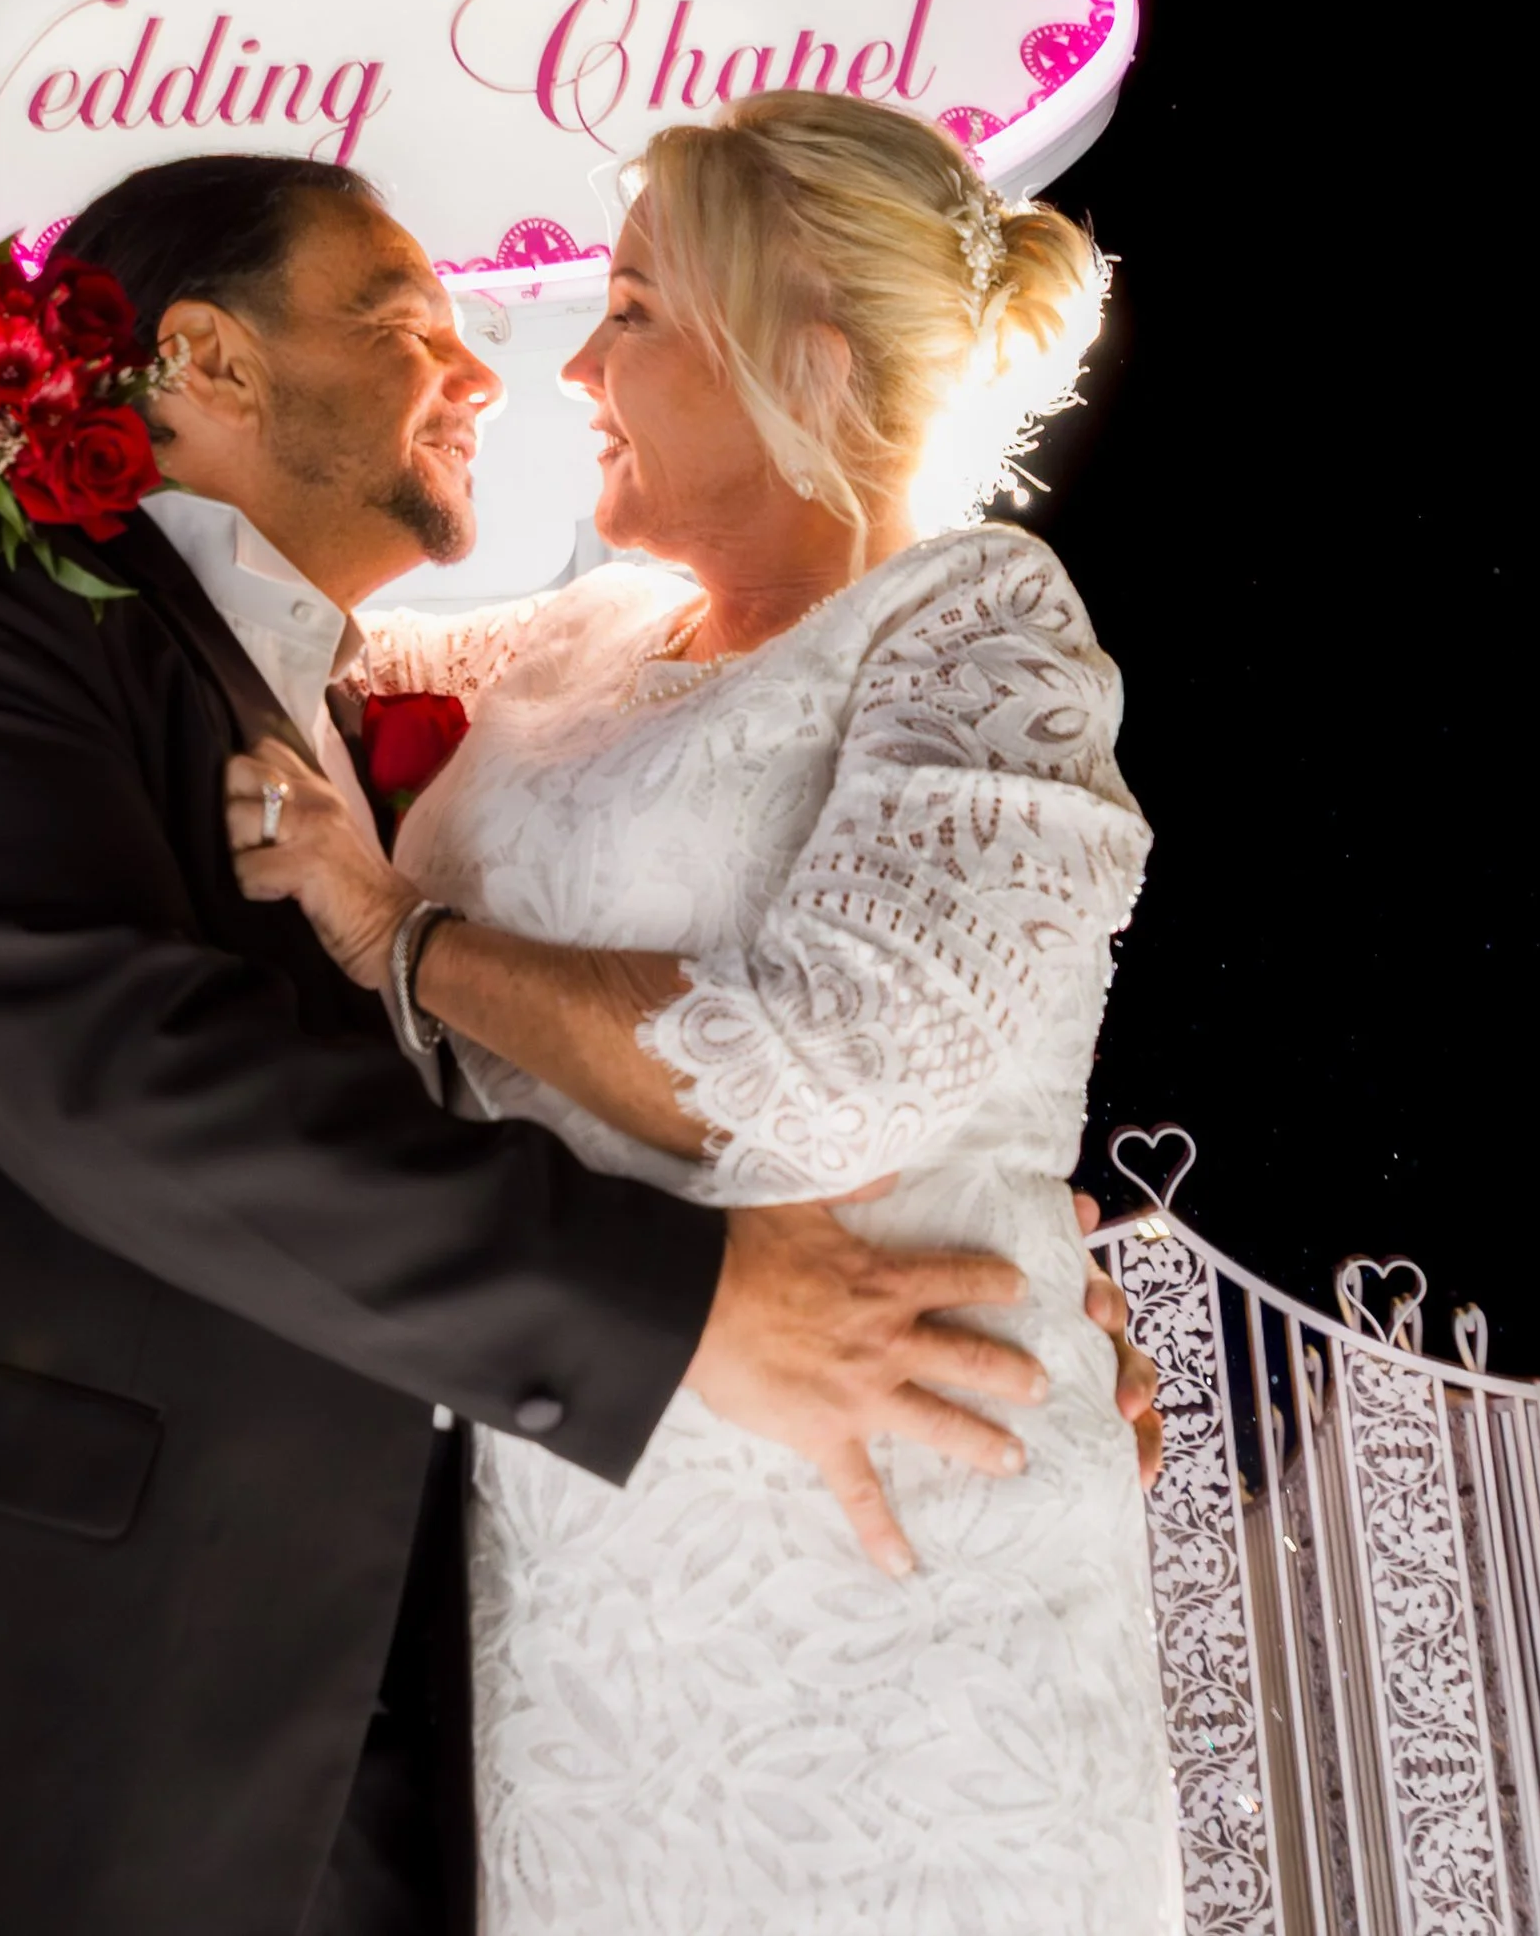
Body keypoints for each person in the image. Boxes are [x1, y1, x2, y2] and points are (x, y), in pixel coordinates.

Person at [0, 150, 1156, 1936]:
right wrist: (687, 1299)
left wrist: (998, 1223)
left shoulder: (359, 699)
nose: (502, 371)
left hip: (448, 1700)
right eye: (410, 322)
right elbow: (125, 1067)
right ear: (215, 365)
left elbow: (831, 1011)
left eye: (614, 312)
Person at [229, 96, 1179, 1931]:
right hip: (581, 1567)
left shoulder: (978, 625)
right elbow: (269, 614)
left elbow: (806, 1069)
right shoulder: (577, 643)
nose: (577, 360)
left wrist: (399, 933)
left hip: (894, 1576)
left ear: (799, 359)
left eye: (638, 310)